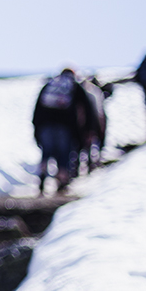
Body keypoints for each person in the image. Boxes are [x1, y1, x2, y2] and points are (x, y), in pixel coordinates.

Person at [32, 67, 90, 195]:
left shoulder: (50, 85)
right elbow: (86, 109)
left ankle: (42, 176)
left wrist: (36, 128)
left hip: (46, 126)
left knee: (46, 153)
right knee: (64, 154)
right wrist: (85, 131)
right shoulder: (74, 87)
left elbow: (37, 109)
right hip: (65, 127)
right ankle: (62, 182)